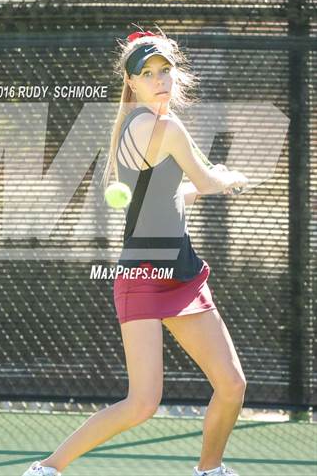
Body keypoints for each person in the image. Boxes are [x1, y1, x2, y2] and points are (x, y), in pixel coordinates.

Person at [22, 27, 249, 476]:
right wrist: (228, 176)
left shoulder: (134, 124)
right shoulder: (165, 125)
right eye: (148, 73)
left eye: (165, 69)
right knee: (143, 402)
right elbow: (206, 181)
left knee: (231, 385)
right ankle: (48, 468)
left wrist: (201, 186)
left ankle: (209, 469)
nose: (160, 79)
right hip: (145, 276)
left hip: (180, 277)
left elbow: (169, 196)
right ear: (133, 82)